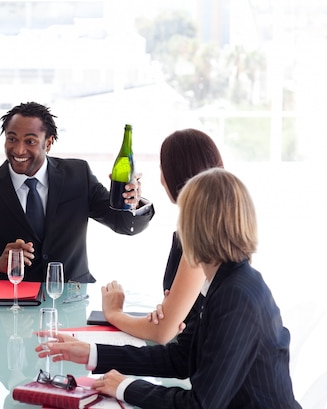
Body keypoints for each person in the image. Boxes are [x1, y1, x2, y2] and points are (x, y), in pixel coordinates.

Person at [36, 168, 301, 409]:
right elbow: (181, 358)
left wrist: (126, 387)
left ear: (196, 227)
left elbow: (200, 405)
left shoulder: (235, 295)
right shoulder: (227, 282)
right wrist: (92, 352)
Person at [0, 101, 154, 283]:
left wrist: (132, 203)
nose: (19, 150)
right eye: (12, 138)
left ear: (49, 142)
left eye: (30, 141)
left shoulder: (78, 175)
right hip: (12, 304)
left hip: (72, 298)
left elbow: (125, 225)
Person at [101, 129, 223, 344]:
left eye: (161, 168)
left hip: (198, 361)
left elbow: (162, 333)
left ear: (172, 175)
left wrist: (114, 313)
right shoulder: (215, 222)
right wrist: (170, 311)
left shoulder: (203, 236)